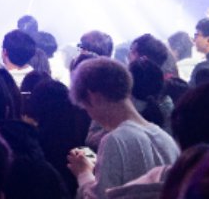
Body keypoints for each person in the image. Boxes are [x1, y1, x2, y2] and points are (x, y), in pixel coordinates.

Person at [68, 57, 179, 198]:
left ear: (93, 97)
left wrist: (84, 173)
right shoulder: (166, 138)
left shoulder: (115, 140)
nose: (91, 116)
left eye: (86, 108)